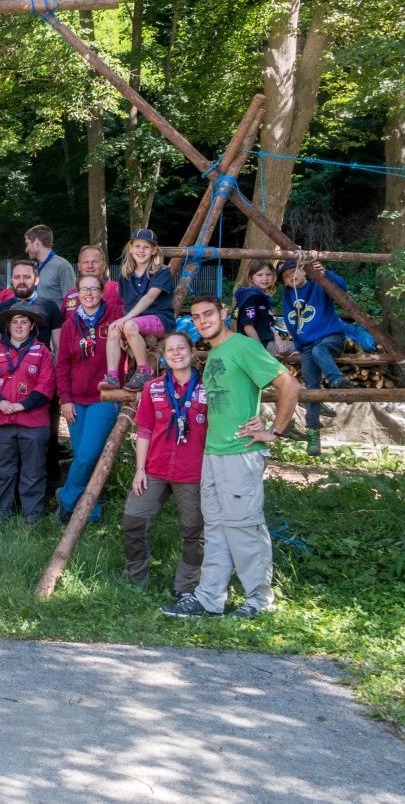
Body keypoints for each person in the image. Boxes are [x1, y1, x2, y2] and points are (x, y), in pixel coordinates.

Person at [162, 295, 299, 619]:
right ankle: (210, 598)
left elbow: (289, 384)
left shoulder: (243, 346)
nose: (203, 321)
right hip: (214, 453)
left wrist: (275, 430)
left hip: (240, 453)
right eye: (196, 317)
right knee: (216, 528)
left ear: (224, 313)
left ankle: (259, 599)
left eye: (208, 313)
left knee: (243, 526)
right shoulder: (214, 354)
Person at [124, 332, 206, 598]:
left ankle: (186, 587)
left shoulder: (208, 387)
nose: (176, 353)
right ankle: (136, 581)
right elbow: (145, 429)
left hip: (192, 472)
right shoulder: (154, 387)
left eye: (181, 348)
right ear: (164, 356)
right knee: (133, 521)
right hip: (155, 469)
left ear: (192, 352)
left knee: (194, 531)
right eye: (170, 349)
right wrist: (139, 470)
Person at [55, 274, 124, 524]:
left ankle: (65, 499)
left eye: (94, 289)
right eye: (84, 289)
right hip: (75, 401)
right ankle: (89, 512)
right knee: (82, 456)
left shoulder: (115, 316)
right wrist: (65, 399)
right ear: (77, 294)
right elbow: (62, 365)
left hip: (103, 397)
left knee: (87, 454)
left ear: (102, 292)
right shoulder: (70, 325)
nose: (89, 293)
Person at [0, 302, 56, 525]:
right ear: (8, 325)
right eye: (15, 322)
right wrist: (1, 401)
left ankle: (32, 517)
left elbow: (47, 385)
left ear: (32, 325)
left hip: (34, 422)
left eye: (24, 322)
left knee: (33, 471)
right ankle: (0, 514)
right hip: (0, 420)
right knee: (4, 470)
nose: (19, 326)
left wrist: (23, 405)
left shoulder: (43, 352)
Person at [279, 258, 350, 455]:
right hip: (308, 345)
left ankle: (337, 380)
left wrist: (325, 274)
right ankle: (313, 434)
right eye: (285, 276)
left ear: (304, 271)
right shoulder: (288, 295)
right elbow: (291, 322)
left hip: (330, 337)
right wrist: (299, 345)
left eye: (293, 272)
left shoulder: (318, 284)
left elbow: (341, 289)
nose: (290, 277)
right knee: (311, 387)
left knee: (320, 351)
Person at [101, 229, 174, 392]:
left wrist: (125, 321)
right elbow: (127, 304)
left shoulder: (162, 271)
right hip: (135, 321)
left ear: (154, 250)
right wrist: (121, 330)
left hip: (159, 319)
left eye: (146, 247)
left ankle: (144, 371)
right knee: (113, 328)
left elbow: (149, 297)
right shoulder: (125, 275)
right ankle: (112, 376)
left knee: (128, 325)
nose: (141, 250)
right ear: (131, 248)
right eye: (138, 246)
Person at [234, 262, 286, 358]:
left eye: (268, 274)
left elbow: (268, 322)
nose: (265, 278)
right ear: (251, 278)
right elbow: (248, 326)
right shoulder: (251, 297)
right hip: (256, 345)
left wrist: (277, 337)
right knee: (303, 349)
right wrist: (260, 350)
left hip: (266, 340)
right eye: (259, 275)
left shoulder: (262, 297)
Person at [24, 224, 77, 307]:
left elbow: (71, 302)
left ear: (36, 242)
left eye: (27, 244)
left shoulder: (62, 266)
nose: (26, 249)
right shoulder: (34, 268)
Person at [64, 245, 120, 312]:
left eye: (95, 262)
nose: (90, 266)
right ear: (79, 266)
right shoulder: (70, 296)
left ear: (104, 265)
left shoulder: (119, 290)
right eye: (86, 262)